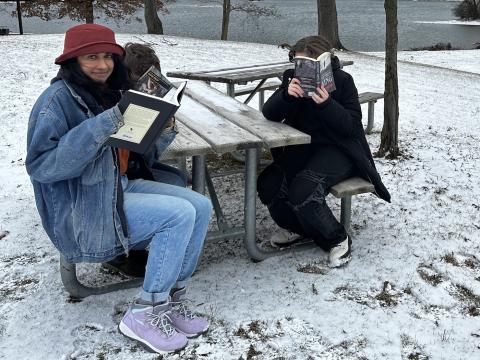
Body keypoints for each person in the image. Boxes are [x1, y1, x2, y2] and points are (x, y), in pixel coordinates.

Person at [26, 24, 213, 354]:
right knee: (178, 215)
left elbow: (133, 156)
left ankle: (169, 300)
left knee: (199, 205)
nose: (102, 65)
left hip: (116, 187)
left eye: (108, 57)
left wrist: (164, 128)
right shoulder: (55, 101)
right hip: (84, 207)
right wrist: (105, 123)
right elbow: (42, 166)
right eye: (91, 57)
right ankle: (144, 311)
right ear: (72, 61)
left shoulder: (111, 92)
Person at [257, 35, 390, 268]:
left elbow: (350, 127)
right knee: (269, 184)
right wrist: (287, 95)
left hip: (338, 150)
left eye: (306, 63)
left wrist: (327, 104)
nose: (300, 69)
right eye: (297, 63)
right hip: (303, 147)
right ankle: (299, 229)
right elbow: (269, 113)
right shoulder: (292, 79)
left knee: (303, 190)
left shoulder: (342, 81)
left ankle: (337, 238)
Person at [103, 42, 188, 278]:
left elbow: (148, 157)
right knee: (173, 184)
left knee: (178, 177)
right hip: (112, 178)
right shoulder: (108, 98)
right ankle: (123, 251)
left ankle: (140, 243)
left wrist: (165, 128)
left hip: (132, 169)